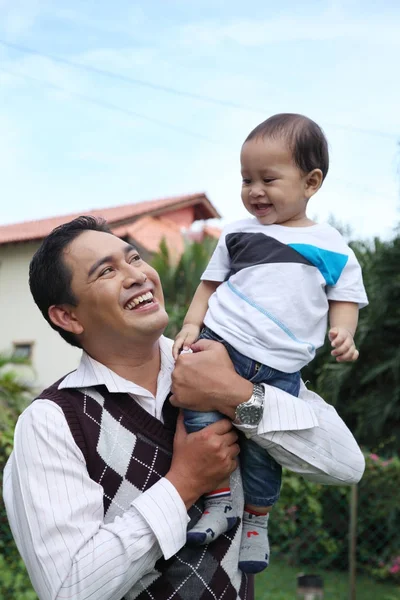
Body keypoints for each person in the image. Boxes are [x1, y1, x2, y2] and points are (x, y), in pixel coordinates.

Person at [3, 216, 365, 600]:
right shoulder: (53, 421)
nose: (137, 275)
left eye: (135, 258)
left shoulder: (231, 362)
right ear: (68, 316)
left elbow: (345, 465)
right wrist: (184, 484)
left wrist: (237, 397)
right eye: (107, 271)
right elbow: (68, 590)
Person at [173, 113, 368, 572]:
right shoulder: (239, 233)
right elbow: (209, 284)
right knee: (202, 420)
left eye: (268, 179)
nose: (254, 190)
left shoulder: (332, 246)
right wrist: (190, 324)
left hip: (279, 371)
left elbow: (345, 297)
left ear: (311, 181)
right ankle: (219, 501)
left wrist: (344, 330)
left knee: (263, 446)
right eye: (246, 179)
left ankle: (256, 521)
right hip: (222, 343)